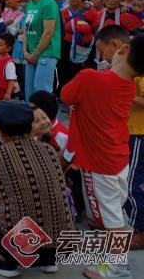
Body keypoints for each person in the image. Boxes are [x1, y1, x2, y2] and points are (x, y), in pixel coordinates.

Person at [61, 33, 144, 278]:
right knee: (115, 210)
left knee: (111, 218)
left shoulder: (90, 77)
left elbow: (66, 96)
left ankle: (117, 267)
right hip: (119, 156)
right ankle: (113, 257)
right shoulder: (129, 86)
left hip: (100, 161)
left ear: (122, 49)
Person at [0, 100, 74, 277]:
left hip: (23, 249)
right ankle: (49, 260)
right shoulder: (48, 150)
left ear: (0, 130)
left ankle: (2, 258)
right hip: (62, 248)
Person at [22, 0, 61, 102]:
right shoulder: (30, 5)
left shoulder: (49, 2)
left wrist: (35, 55)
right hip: (31, 54)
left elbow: (48, 32)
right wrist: (26, 52)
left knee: (41, 91)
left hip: (46, 54)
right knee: (29, 91)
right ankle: (31, 120)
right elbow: (26, 30)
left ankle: (46, 121)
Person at [58, 0, 99, 89]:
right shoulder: (66, 12)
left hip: (86, 48)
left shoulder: (92, 12)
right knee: (65, 72)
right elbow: (63, 29)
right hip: (67, 47)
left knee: (83, 72)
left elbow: (95, 30)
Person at [125, 52, 144, 249]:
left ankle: (140, 231)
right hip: (131, 132)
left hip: (139, 133)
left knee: (133, 183)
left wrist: (127, 90)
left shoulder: (139, 74)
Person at [0, 33, 17, 101]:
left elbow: (11, 80)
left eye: (0, 45)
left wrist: (8, 93)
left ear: (9, 48)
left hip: (3, 95)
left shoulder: (9, 63)